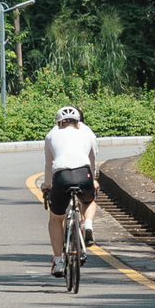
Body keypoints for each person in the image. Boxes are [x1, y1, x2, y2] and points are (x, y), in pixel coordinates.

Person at [41, 105, 99, 277]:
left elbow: (48, 163)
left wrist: (47, 184)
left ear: (59, 124)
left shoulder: (51, 134)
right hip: (84, 172)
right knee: (88, 201)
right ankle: (87, 224)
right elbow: (93, 157)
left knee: (56, 218)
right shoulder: (87, 131)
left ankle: (58, 261)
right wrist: (94, 178)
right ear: (78, 123)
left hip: (62, 176)